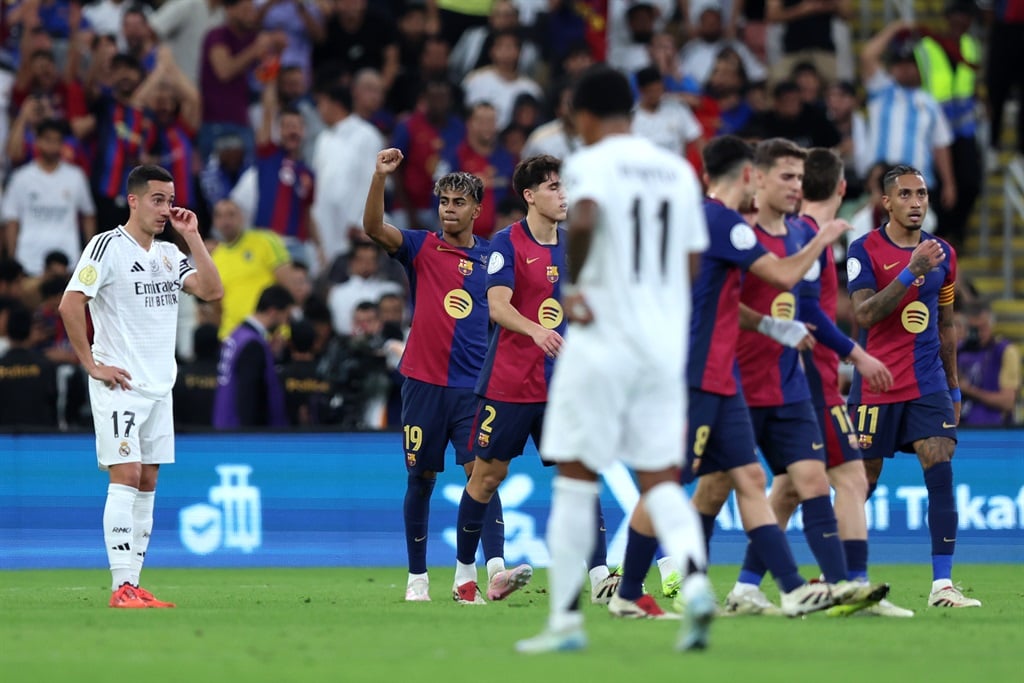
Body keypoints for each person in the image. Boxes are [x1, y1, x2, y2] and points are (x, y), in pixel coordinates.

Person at [515, 64, 716, 655]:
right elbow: (692, 263)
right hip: (662, 346)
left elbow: (582, 218)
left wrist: (578, 286)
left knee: (575, 480)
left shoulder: (592, 164)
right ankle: (696, 582)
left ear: (580, 115)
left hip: (602, 338)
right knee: (659, 478)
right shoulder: (678, 170)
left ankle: (565, 624)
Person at [615, 135, 848, 618]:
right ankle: (628, 591)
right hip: (698, 377)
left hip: (722, 379)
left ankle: (789, 587)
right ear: (747, 176)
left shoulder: (699, 220)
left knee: (747, 476)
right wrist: (823, 239)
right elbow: (783, 276)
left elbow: (719, 300)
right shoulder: (724, 222)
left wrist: (766, 324)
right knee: (665, 486)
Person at [723, 146, 911, 617]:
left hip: (797, 374)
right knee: (848, 476)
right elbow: (806, 312)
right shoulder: (807, 236)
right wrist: (858, 354)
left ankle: (747, 586)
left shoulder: (802, 233)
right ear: (843, 188)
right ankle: (854, 585)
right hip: (807, 376)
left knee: (789, 485)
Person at [58, 164, 224, 608]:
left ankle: (132, 582)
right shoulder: (107, 246)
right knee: (126, 474)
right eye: (157, 200)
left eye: (170, 200)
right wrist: (91, 364)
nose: (166, 209)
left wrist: (193, 237)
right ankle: (120, 587)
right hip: (122, 384)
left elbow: (211, 291)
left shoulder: (170, 254)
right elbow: (71, 303)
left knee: (148, 479)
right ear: (133, 200)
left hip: (159, 386)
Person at [451, 154, 613, 606]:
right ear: (530, 195)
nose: (564, 196)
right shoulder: (507, 243)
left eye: (565, 187)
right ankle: (465, 576)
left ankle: (601, 576)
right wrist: (538, 329)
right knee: (486, 478)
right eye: (554, 188)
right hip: (510, 383)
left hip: (561, 385)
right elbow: (498, 306)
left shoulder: (577, 245)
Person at [362, 149, 504, 602]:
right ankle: (417, 579)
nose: (448, 208)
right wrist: (379, 177)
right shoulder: (421, 246)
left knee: (479, 475)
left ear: (477, 209)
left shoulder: (493, 259)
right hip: (422, 384)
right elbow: (372, 229)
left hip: (472, 388)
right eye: (444, 200)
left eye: (458, 202)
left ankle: (491, 571)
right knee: (420, 479)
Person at [846, 164, 980, 608]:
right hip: (876, 384)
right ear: (886, 202)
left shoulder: (944, 252)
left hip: (927, 383)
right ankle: (849, 580)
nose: (916, 202)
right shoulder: (863, 249)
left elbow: (945, 324)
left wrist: (955, 388)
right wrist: (910, 272)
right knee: (860, 481)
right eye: (905, 194)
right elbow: (864, 315)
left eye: (922, 193)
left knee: (939, 464)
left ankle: (943, 584)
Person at [1, 118, 95, 276]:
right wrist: (12, 258)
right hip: (28, 260)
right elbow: (11, 220)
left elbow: (88, 215)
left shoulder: (75, 176)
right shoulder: (21, 178)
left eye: (57, 141)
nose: (53, 146)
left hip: (69, 261)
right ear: (37, 141)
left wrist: (91, 257)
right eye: (48, 140)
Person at [213, 283, 293, 429]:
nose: (284, 323)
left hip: (225, 423)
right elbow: (247, 395)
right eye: (285, 316)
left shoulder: (237, 335)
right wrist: (249, 434)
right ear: (273, 312)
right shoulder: (252, 345)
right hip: (242, 434)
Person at [210, 198, 292, 339]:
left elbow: (289, 286)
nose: (225, 221)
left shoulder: (265, 241)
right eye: (220, 216)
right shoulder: (214, 257)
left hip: (269, 335)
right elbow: (216, 305)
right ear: (214, 222)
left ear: (241, 217)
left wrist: (284, 329)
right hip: (232, 337)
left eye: (231, 214)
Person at [957, 300, 1021, 426]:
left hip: (993, 429)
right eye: (974, 329)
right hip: (961, 426)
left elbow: (1007, 401)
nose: (979, 334)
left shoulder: (1004, 351)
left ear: (991, 324)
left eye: (983, 327)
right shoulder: (959, 350)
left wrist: (969, 390)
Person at [0, 305, 58, 428]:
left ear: (7, 331)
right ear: (31, 331)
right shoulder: (45, 366)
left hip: (4, 437)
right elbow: (54, 403)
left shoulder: (2, 365)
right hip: (40, 437)